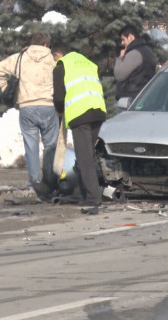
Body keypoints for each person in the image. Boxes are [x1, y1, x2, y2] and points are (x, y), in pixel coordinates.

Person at [0, 32, 59, 200]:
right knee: (51, 146)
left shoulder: (20, 58)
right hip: (48, 106)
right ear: (46, 45)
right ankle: (50, 183)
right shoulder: (53, 59)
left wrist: (5, 88)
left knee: (31, 147)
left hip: (26, 107)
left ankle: (34, 183)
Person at [52, 42, 107, 214]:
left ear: (58, 55)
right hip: (98, 110)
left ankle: (93, 197)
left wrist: (59, 110)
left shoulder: (61, 66)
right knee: (87, 155)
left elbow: (59, 97)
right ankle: (83, 192)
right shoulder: (86, 62)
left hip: (80, 114)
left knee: (84, 158)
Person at [114, 25, 157, 101]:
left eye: (123, 39)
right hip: (143, 97)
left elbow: (119, 74)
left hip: (130, 99)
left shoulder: (135, 53)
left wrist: (120, 57)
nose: (122, 43)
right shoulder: (147, 51)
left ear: (131, 37)